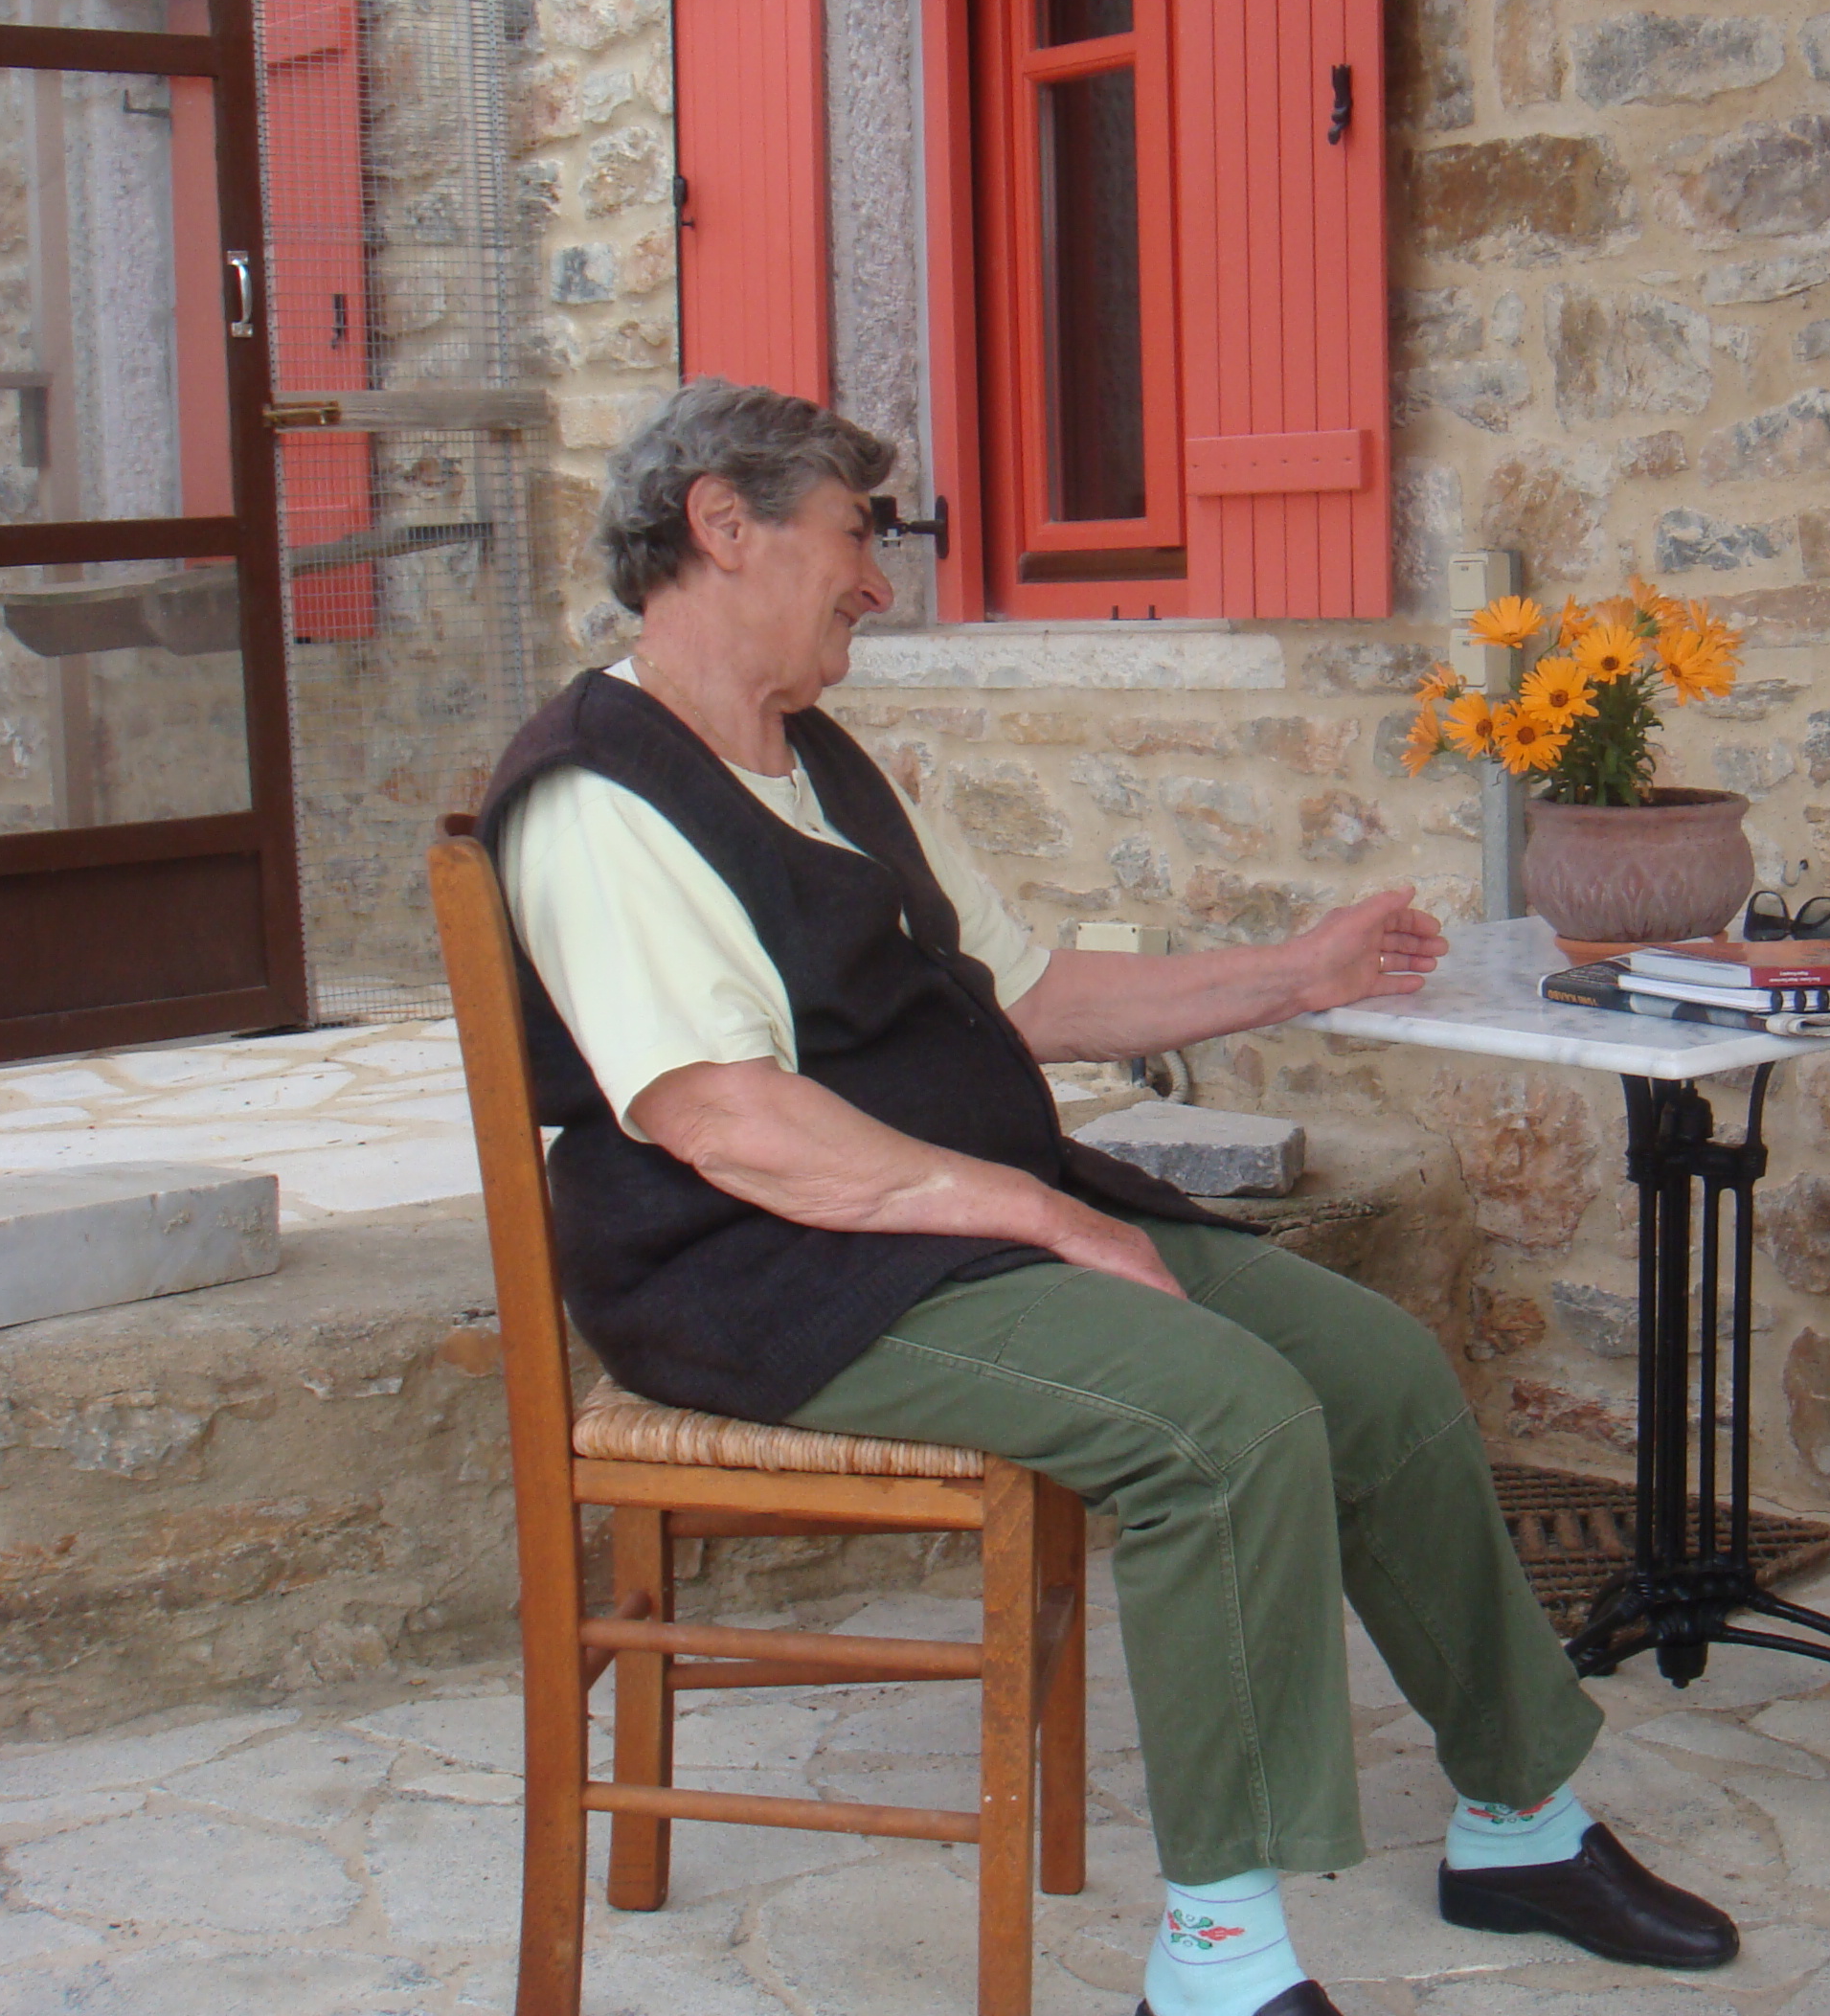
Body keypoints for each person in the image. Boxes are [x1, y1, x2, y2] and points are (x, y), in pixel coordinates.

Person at [477, 379, 1739, 2016]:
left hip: (945, 1229)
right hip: (764, 1273)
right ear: (724, 526)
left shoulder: (821, 765)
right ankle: (1219, 1959)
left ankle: (1520, 1822)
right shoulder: (596, 794)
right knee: (1219, 1422)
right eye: (856, 535)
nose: (879, 580)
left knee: (1377, 1369)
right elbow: (728, 1122)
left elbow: (1030, 993)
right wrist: (1050, 1217)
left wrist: (1296, 973)